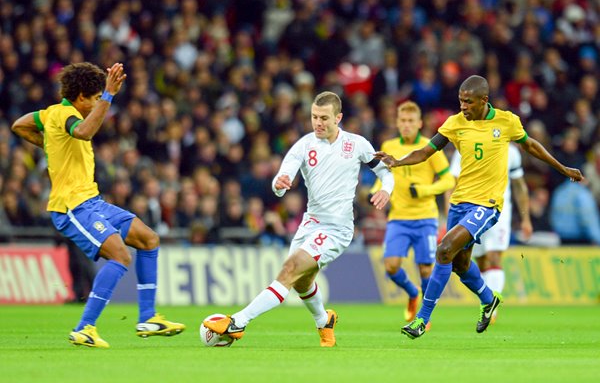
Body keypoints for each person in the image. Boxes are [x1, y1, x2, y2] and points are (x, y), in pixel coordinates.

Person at [375, 75, 583, 339]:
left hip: (488, 204)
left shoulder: (507, 121)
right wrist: (398, 161)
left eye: (468, 102)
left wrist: (562, 168)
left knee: (445, 249)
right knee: (461, 264)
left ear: (484, 100)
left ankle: (421, 319)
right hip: (460, 202)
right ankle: (488, 299)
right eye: (461, 101)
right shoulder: (455, 123)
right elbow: (426, 152)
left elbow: (531, 146)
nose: (463, 107)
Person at [11, 62, 185, 348]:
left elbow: (20, 125)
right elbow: (83, 133)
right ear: (81, 97)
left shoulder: (50, 115)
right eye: (93, 99)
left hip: (92, 201)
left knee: (148, 239)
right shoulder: (66, 113)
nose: (96, 104)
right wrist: (109, 95)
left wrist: (49, 145)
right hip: (72, 206)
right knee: (120, 257)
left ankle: (148, 317)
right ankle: (85, 328)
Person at [204, 91, 394, 347]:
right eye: (314, 117)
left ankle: (238, 321)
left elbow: (385, 172)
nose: (318, 123)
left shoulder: (357, 144)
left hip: (337, 229)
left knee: (290, 269)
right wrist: (279, 185)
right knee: (303, 281)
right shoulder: (304, 145)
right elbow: (282, 179)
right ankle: (323, 320)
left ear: (338, 117)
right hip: (310, 224)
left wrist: (386, 189)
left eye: (324, 118)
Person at [371, 101, 455, 325]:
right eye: (403, 121)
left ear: (419, 123)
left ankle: (424, 317)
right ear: (397, 123)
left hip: (425, 217)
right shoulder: (389, 145)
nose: (406, 125)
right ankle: (412, 293)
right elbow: (382, 177)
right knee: (390, 266)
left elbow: (448, 179)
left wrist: (426, 190)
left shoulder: (430, 147)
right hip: (398, 218)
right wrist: (377, 192)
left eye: (411, 121)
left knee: (426, 268)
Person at [449, 143, 533, 322]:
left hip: (498, 210)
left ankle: (491, 311)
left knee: (494, 256)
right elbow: (453, 181)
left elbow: (519, 185)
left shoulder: (510, 151)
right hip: (469, 210)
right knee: (480, 260)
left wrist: (526, 218)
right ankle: (487, 301)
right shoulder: (465, 144)